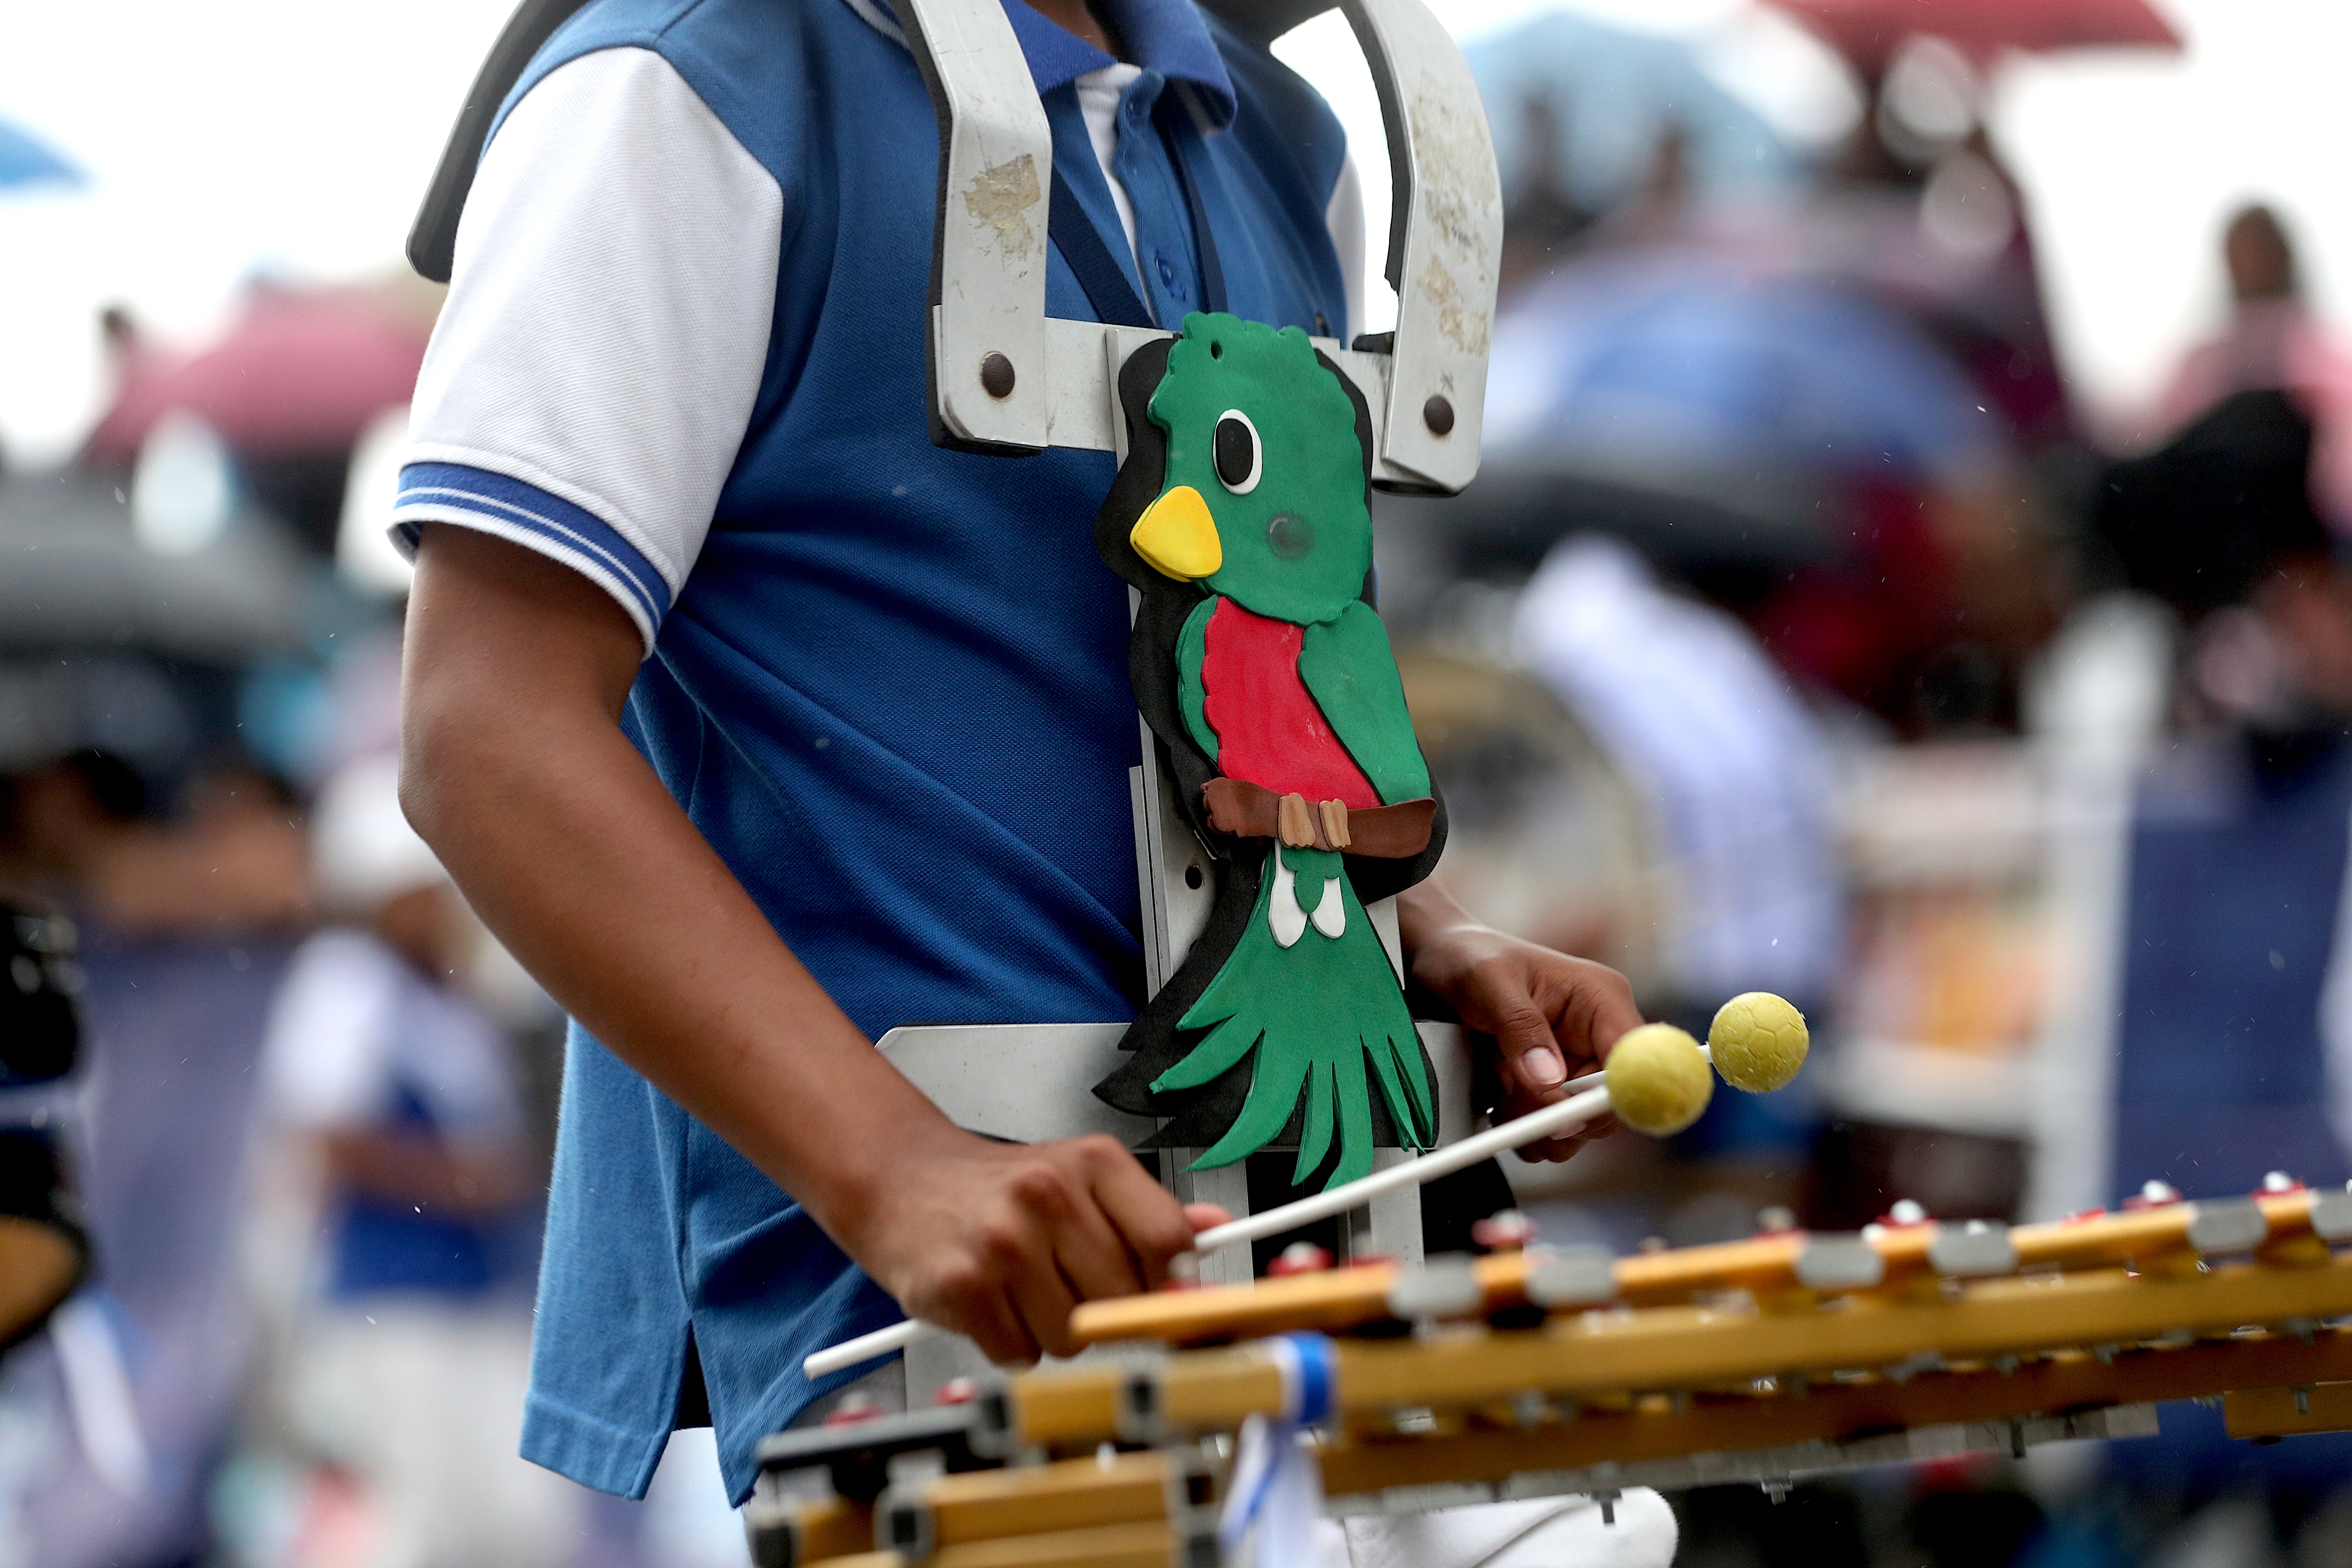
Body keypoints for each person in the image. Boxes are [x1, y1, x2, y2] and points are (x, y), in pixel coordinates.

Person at [392, 0, 1672, 1559]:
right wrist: (896, 1166)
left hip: (1324, 1286)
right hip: (931, 1345)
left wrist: (1417, 934)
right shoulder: (681, 87)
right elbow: (485, 731)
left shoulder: (1281, 140)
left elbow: (1221, 686)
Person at [256, 753, 570, 1568]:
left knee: (518, 1522)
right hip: (391, 1298)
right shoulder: (344, 983)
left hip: (479, 1293)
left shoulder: (452, 994)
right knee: (423, 1523)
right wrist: (456, 1183)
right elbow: (325, 1134)